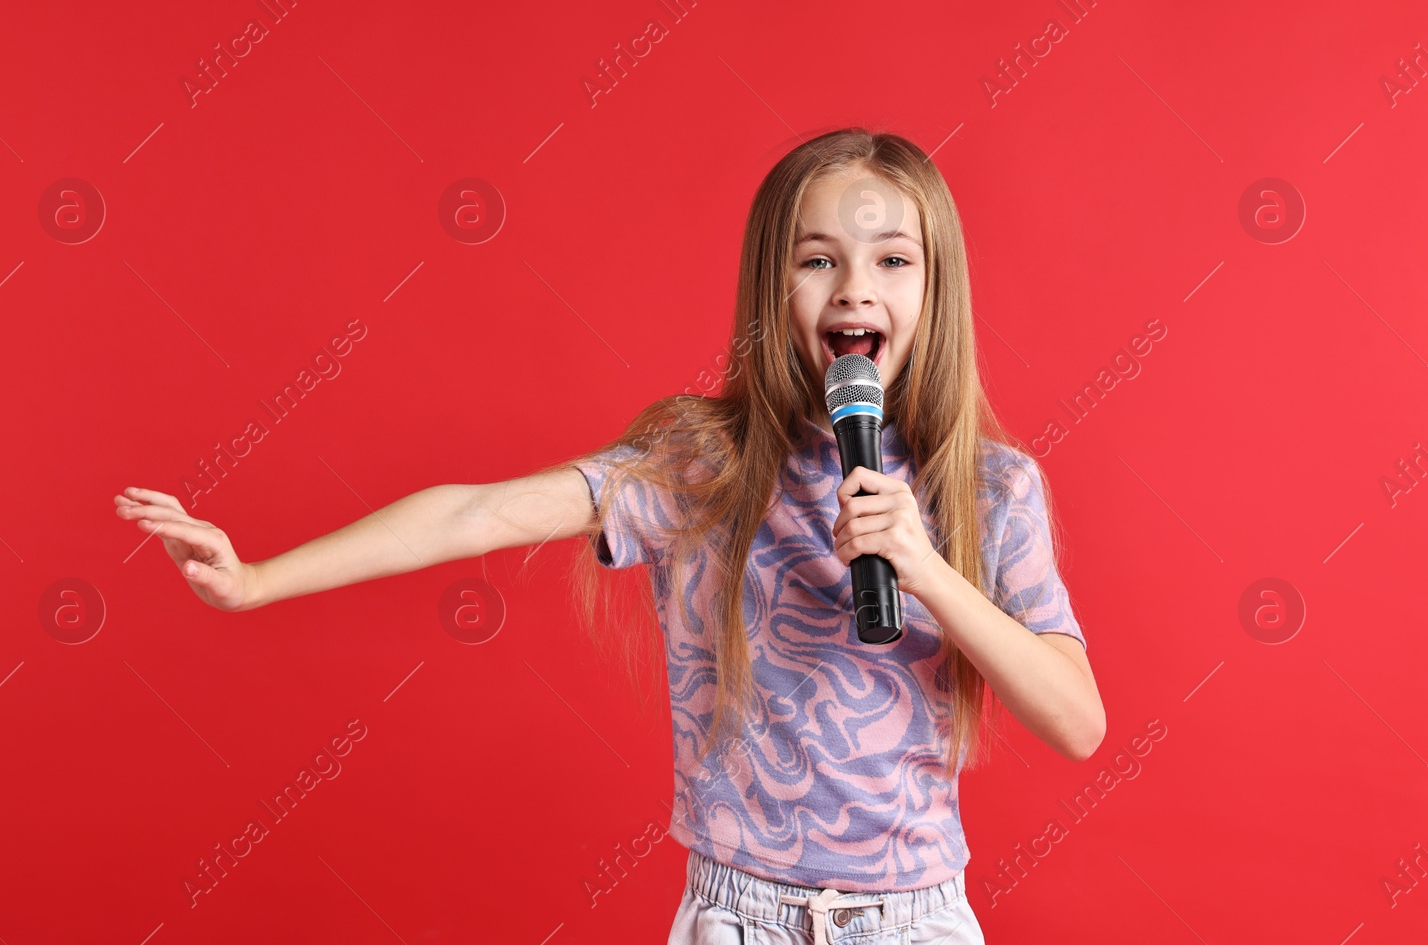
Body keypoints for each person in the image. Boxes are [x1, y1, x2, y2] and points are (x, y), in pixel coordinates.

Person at [114, 128, 1104, 943]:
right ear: (773, 285)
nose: (853, 288)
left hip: (912, 917)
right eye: (816, 259)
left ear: (933, 292)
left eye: (892, 259)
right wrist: (256, 577)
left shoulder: (987, 487)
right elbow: (477, 509)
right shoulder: (694, 461)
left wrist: (927, 570)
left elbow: (1076, 720)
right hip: (739, 911)